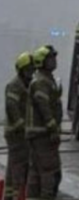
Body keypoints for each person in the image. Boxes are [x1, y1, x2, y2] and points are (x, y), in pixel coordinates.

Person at [26, 45, 62, 200]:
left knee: (36, 172)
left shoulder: (45, 80)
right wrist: (53, 128)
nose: (54, 60)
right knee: (50, 171)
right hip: (43, 135)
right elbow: (44, 107)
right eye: (51, 58)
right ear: (42, 61)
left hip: (38, 135)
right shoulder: (41, 82)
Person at [4, 52, 34, 200]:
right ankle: (16, 196)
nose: (31, 73)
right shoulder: (15, 85)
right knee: (19, 168)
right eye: (28, 70)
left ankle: (9, 196)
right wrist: (22, 126)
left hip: (21, 133)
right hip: (16, 134)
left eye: (32, 69)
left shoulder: (28, 85)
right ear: (21, 70)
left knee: (12, 167)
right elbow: (11, 106)